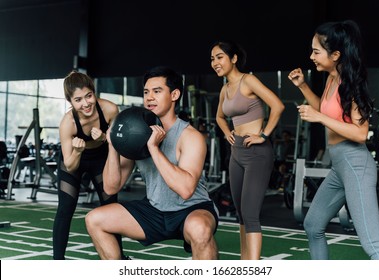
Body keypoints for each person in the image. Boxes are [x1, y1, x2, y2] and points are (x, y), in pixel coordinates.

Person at [85, 66, 219, 260]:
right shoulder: (136, 131)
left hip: (191, 209)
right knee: (95, 219)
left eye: (157, 91)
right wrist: (114, 145)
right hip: (154, 210)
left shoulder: (190, 136)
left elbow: (186, 189)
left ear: (174, 95)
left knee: (200, 229)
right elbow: (111, 187)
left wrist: (154, 149)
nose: (149, 97)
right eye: (146, 92)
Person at [288, 20, 379, 260]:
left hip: (356, 165)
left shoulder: (352, 83)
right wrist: (302, 86)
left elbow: (360, 133)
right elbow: (326, 110)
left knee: (373, 245)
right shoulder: (331, 79)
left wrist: (320, 118)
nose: (311, 56)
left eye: (316, 51)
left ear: (335, 54)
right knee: (313, 225)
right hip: (340, 166)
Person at [211, 41, 285, 260]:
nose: (215, 62)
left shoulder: (248, 80)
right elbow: (219, 116)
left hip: (256, 153)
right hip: (236, 153)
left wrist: (263, 135)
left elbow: (278, 105)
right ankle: (246, 262)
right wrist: (226, 132)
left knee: (251, 214)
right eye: (212, 58)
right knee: (241, 214)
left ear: (233, 59)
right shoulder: (225, 88)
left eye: (219, 57)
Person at [53, 70, 127, 260]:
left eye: (88, 96)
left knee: (110, 206)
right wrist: (78, 151)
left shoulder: (110, 110)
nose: (85, 103)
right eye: (78, 100)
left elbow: (118, 143)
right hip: (75, 159)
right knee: (66, 207)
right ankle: (57, 262)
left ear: (94, 93)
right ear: (70, 102)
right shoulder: (67, 123)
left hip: (101, 158)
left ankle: (119, 259)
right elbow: (69, 165)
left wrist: (104, 138)